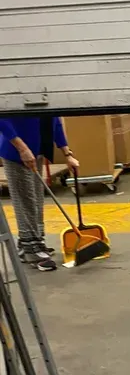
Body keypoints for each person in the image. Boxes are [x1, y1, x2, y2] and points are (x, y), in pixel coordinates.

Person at [0, 116, 79, 271]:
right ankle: (31, 250)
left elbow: (54, 120)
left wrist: (67, 154)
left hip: (37, 150)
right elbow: (2, 119)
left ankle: (32, 243)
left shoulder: (47, 101)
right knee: (25, 201)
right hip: (17, 153)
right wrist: (22, 148)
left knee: (36, 199)